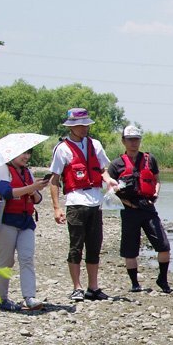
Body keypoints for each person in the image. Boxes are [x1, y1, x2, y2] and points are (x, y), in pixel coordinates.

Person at [49, 108, 116, 302]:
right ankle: (77, 287)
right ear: (71, 127)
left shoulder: (95, 145)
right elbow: (55, 180)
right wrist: (56, 207)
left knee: (94, 246)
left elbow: (102, 170)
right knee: (76, 246)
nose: (84, 129)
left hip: (95, 202)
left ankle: (92, 288)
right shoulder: (62, 149)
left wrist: (109, 181)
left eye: (86, 125)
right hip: (75, 203)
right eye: (79, 125)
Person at [107, 125, 172, 294]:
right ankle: (135, 283)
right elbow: (110, 189)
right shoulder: (115, 165)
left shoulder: (150, 159)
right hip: (129, 210)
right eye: (130, 139)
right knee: (130, 249)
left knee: (163, 245)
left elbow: (156, 179)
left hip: (148, 207)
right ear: (124, 141)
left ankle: (163, 280)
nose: (134, 142)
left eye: (136, 139)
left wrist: (156, 193)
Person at [0, 150, 50, 311]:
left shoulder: (27, 172)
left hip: (26, 221)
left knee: (27, 258)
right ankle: (1, 299)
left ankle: (29, 297)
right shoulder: (2, 169)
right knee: (6, 261)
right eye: (23, 154)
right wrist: (31, 187)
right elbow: (6, 192)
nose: (26, 157)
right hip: (6, 221)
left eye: (29, 153)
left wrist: (34, 190)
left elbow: (38, 199)